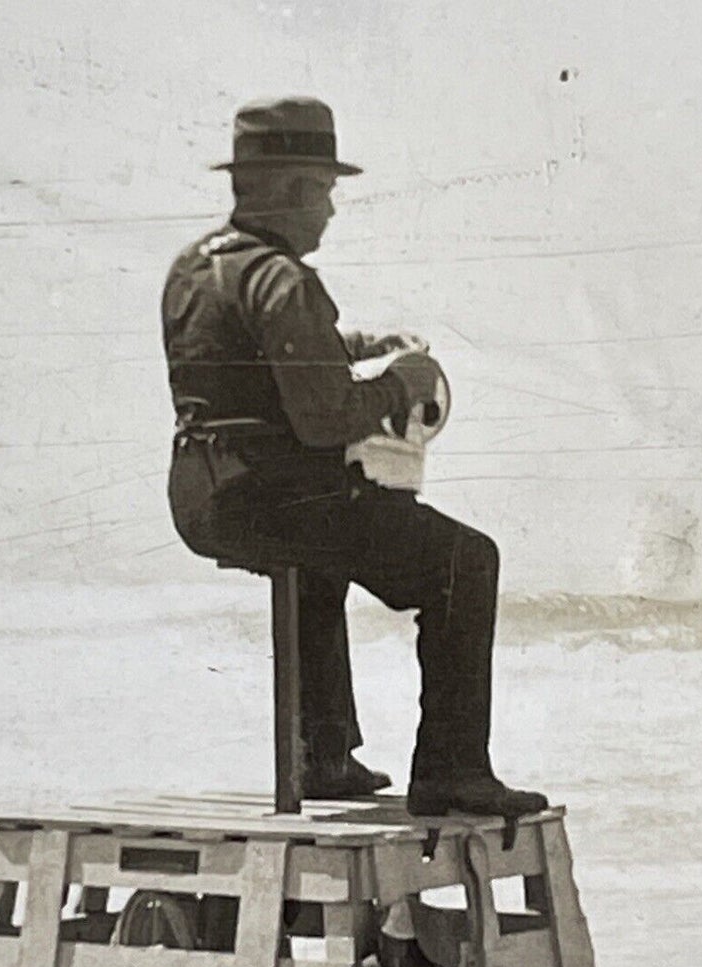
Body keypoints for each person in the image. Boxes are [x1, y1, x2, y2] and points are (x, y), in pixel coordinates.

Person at [161, 96, 547, 819]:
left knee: (317, 557)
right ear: (294, 189)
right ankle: (452, 769)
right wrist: (397, 384)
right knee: (465, 561)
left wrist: (359, 346)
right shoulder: (282, 278)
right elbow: (324, 417)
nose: (330, 213)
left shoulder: (194, 267)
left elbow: (251, 359)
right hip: (275, 495)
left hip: (203, 496)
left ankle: (324, 753)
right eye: (326, 192)